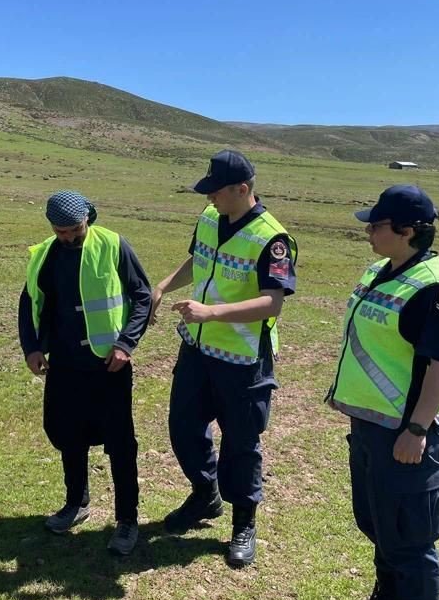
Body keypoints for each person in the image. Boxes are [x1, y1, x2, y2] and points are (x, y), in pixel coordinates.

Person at [326, 184, 439, 600]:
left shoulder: (435, 291)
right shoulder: (381, 271)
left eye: (377, 224)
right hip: (370, 425)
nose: (368, 230)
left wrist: (417, 429)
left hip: (406, 434)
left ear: (407, 231)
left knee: (410, 537)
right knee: (377, 523)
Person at [151, 150, 297, 568]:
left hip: (242, 358)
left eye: (217, 191)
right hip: (197, 348)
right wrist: (162, 285)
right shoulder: (210, 217)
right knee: (183, 425)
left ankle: (243, 523)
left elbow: (272, 304)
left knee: (241, 442)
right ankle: (204, 494)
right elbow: (199, 261)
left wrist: (211, 312)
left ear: (243, 189)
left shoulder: (273, 239)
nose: (210, 197)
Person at [18, 190, 152, 556]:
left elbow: (142, 296)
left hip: (108, 365)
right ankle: (76, 502)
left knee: (120, 444)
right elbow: (29, 298)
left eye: (73, 230)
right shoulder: (45, 253)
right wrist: (31, 347)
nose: (67, 238)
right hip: (63, 365)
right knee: (66, 435)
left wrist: (126, 344)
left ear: (87, 219)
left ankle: (127, 520)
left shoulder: (113, 245)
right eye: (60, 232)